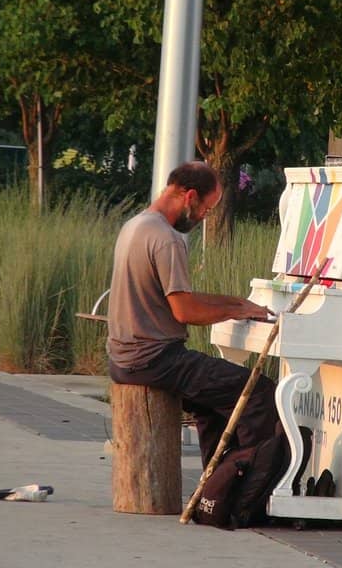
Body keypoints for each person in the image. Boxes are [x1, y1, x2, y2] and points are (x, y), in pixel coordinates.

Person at [107, 161, 278, 467]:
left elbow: (180, 296)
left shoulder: (135, 225)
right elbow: (184, 311)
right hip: (154, 359)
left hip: (125, 357)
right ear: (190, 197)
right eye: (206, 209)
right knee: (258, 393)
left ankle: (215, 487)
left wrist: (238, 304)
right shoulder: (167, 239)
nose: (203, 217)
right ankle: (253, 488)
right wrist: (230, 312)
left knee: (212, 403)